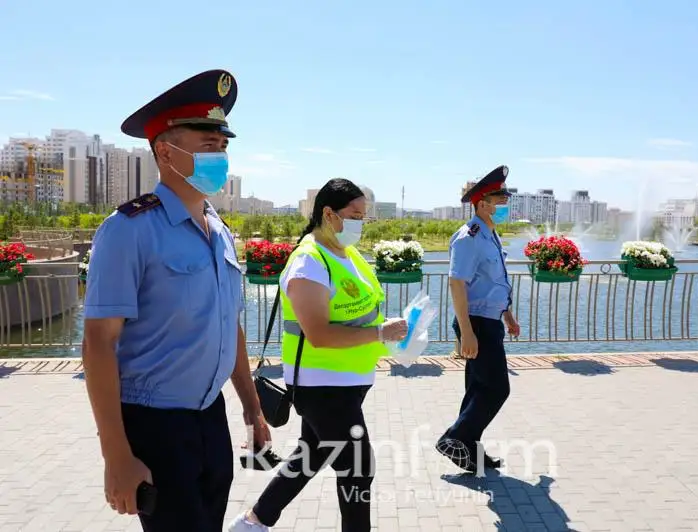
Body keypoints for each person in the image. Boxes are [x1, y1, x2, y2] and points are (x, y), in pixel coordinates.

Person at [81, 69, 270, 531]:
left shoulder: (220, 231)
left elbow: (231, 325)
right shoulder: (129, 230)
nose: (220, 157)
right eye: (208, 145)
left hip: (212, 420)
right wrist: (117, 457)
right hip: (156, 426)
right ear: (166, 150)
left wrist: (251, 407)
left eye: (223, 147)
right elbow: (99, 344)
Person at [229, 179, 408, 532]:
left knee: (310, 455)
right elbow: (319, 334)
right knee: (358, 468)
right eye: (354, 215)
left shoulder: (347, 253)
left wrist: (387, 328)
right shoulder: (309, 261)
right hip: (321, 385)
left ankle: (253, 522)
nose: (360, 222)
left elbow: (358, 311)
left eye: (364, 216)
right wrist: (377, 334)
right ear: (329, 214)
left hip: (351, 381)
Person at [435, 165, 521, 474]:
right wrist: (467, 333)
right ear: (482, 202)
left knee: (478, 389)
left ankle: (467, 450)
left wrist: (507, 314)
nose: (504, 207)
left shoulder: (489, 234)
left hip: (490, 320)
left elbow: (493, 281)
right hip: (477, 323)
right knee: (498, 389)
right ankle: (455, 438)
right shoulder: (469, 236)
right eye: (500, 200)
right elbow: (457, 283)